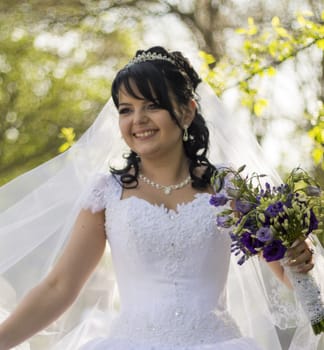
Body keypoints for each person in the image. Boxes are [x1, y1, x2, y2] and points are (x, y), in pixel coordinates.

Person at [0, 46, 322, 350]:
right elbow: (59, 287)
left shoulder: (227, 186)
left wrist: (297, 256)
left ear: (186, 112)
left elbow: (285, 271)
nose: (137, 119)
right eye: (126, 110)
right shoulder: (106, 193)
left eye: (152, 105)